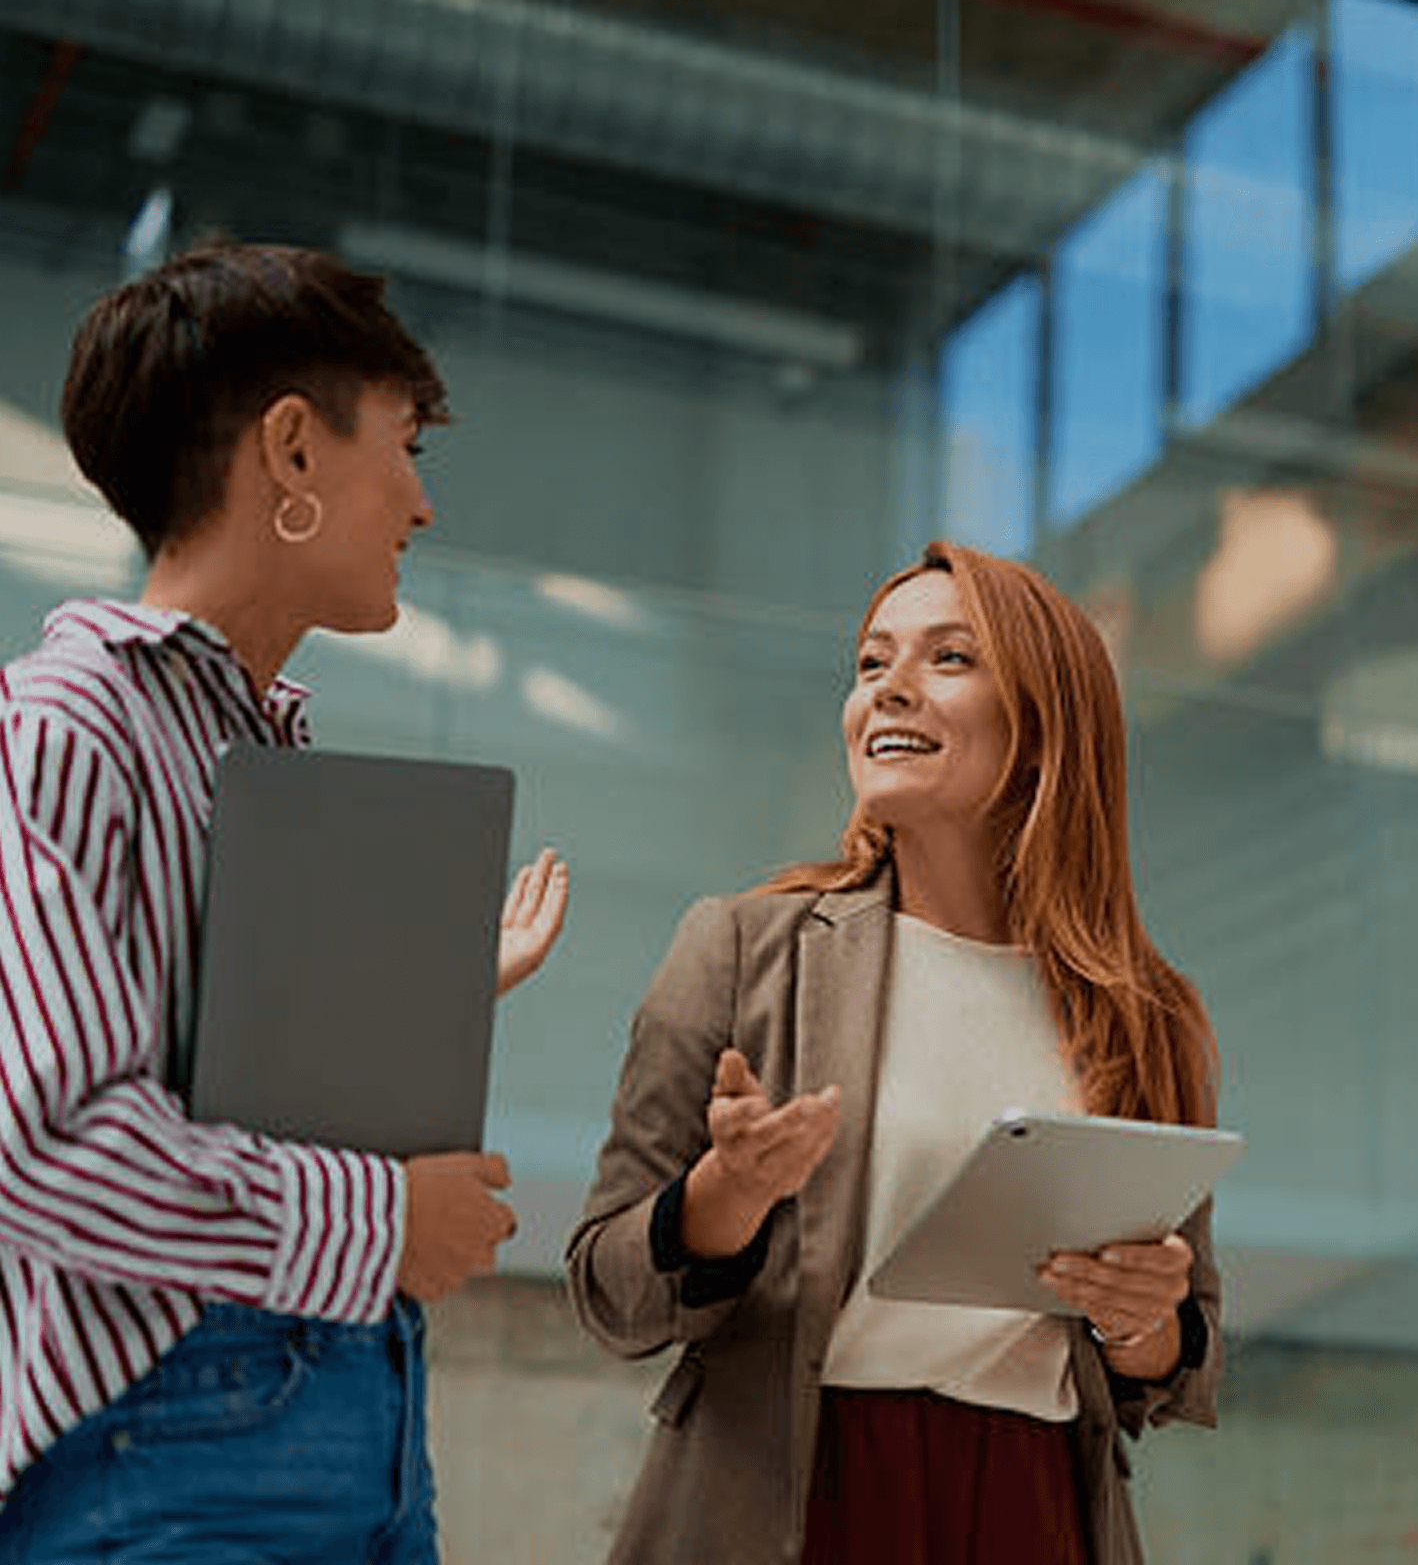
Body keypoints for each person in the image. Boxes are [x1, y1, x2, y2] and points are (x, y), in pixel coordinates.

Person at [0, 242, 569, 1563]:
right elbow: (44, 1145)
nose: (423, 507)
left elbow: (219, 1071)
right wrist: (386, 1220)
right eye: (406, 448)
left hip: (356, 1406)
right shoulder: (58, 728)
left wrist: (433, 993)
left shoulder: (265, 754)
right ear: (295, 453)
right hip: (172, 1431)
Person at [568, 541, 1222, 1565]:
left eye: (949, 659)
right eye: (872, 663)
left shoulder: (1148, 1015)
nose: (890, 692)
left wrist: (1144, 1320)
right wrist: (725, 1197)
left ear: (1044, 730)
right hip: (793, 1495)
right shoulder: (740, 950)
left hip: (1036, 1503)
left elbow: (1178, 1359)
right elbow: (610, 1293)